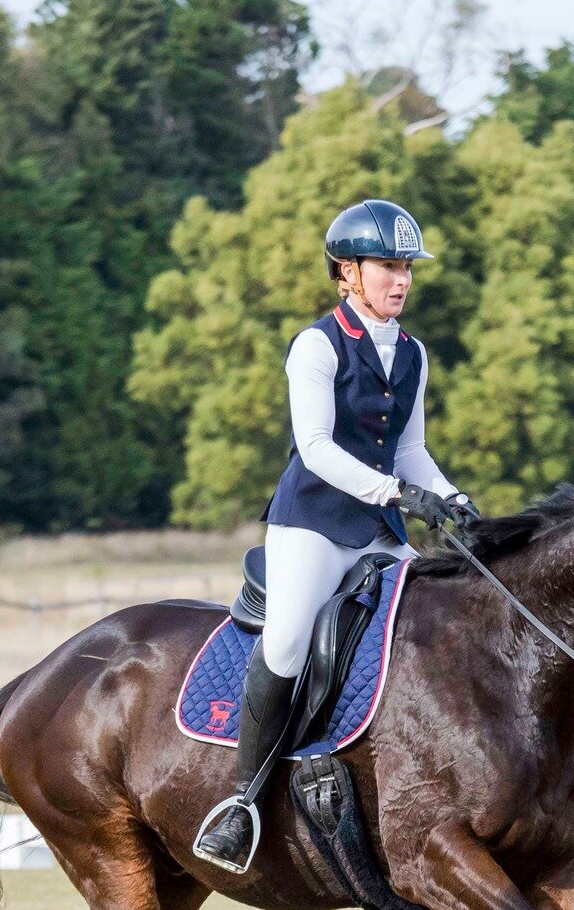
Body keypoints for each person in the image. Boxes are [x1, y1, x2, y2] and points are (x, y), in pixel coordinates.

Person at [194, 200, 476, 873]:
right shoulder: (317, 345)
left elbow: (411, 450)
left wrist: (455, 500)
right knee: (289, 637)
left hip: (379, 529)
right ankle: (243, 803)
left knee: (439, 620)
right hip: (313, 524)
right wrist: (395, 493)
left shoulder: (412, 354)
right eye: (387, 266)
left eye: (406, 267)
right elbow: (315, 448)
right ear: (346, 272)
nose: (400, 280)